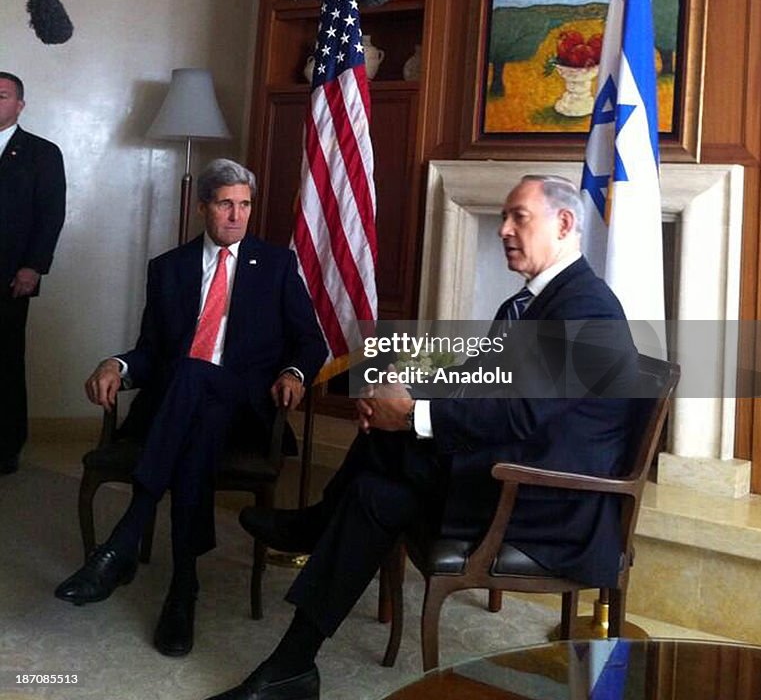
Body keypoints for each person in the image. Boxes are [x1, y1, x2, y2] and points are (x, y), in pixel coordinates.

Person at [204, 174, 640, 700]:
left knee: (394, 439)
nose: (503, 229)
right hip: (514, 468)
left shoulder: (585, 308)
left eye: (518, 217)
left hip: (548, 496)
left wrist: (410, 415)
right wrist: (406, 391)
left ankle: (316, 533)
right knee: (375, 490)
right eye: (502, 216)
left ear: (564, 223)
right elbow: (480, 385)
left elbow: (522, 415)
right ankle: (293, 664)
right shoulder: (529, 304)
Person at [54, 158, 326, 658]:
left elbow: (311, 342)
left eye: (245, 205)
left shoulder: (277, 266)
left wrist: (294, 373)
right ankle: (184, 589)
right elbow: (151, 350)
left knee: (196, 379)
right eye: (226, 204)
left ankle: (123, 543)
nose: (237, 216)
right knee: (193, 399)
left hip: (246, 410)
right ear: (204, 207)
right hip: (187, 410)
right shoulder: (170, 267)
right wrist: (115, 364)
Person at [0, 72, 66, 475]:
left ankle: (6, 448)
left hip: (10, 275)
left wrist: (34, 266)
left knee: (5, 361)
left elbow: (51, 214)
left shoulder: (42, 153)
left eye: (2, 95)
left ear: (20, 105)